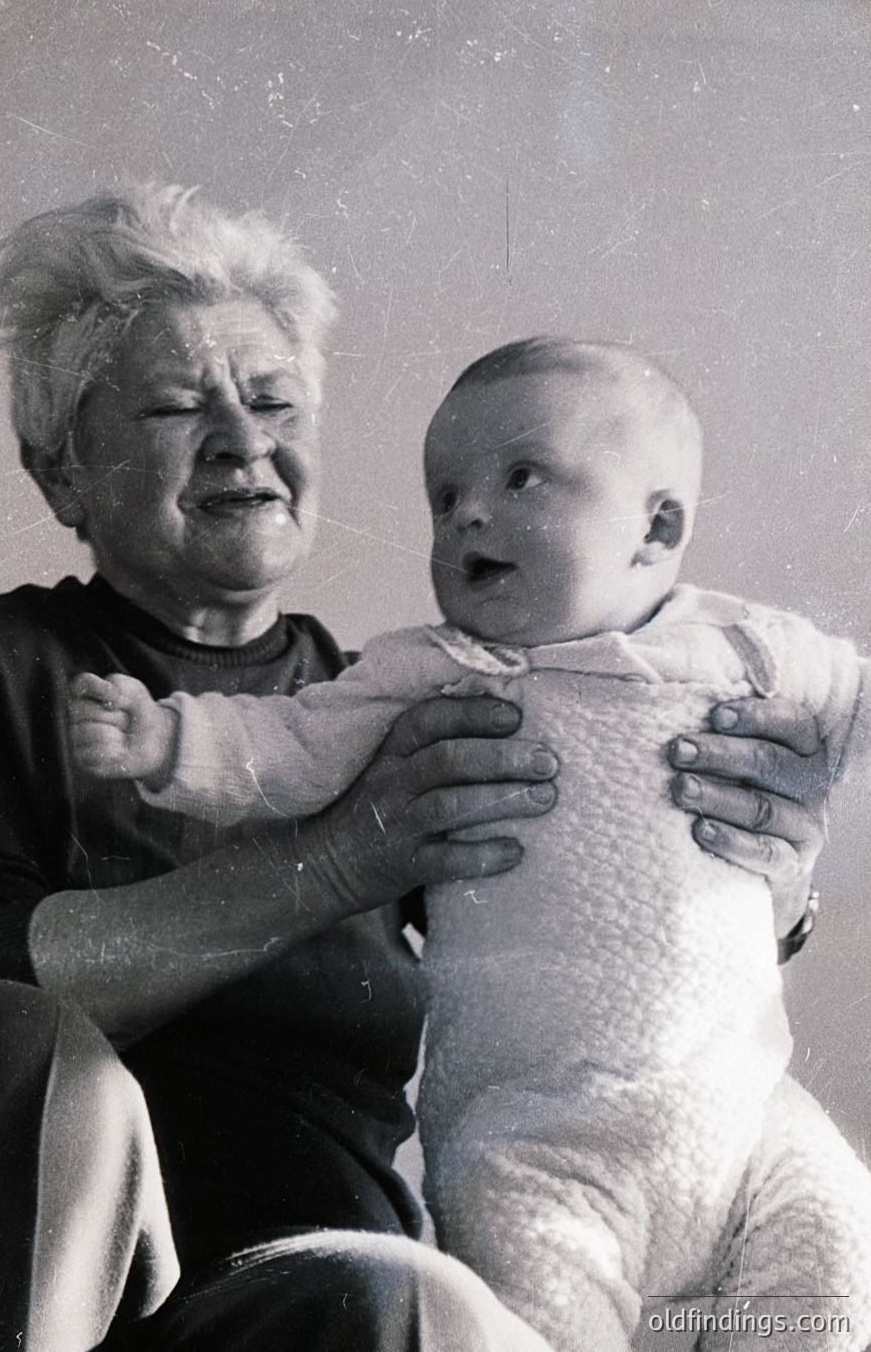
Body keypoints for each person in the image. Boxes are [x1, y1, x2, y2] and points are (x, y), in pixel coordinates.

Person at [0, 191, 834, 1352]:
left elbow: (584, 925)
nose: (241, 439)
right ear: (60, 473)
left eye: (272, 402)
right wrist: (335, 860)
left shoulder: (406, 698)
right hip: (21, 1276)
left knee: (402, 1295)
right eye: (176, 405)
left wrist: (760, 866)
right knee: (12, 1049)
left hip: (295, 1303)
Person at [69, 336, 871, 1351]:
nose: (467, 517)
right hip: (533, 1140)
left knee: (834, 1254)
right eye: (443, 498)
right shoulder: (436, 671)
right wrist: (167, 736)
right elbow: (291, 739)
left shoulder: (755, 651)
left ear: (654, 525)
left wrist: (791, 851)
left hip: (743, 1109)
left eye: (519, 477)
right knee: (528, 1318)